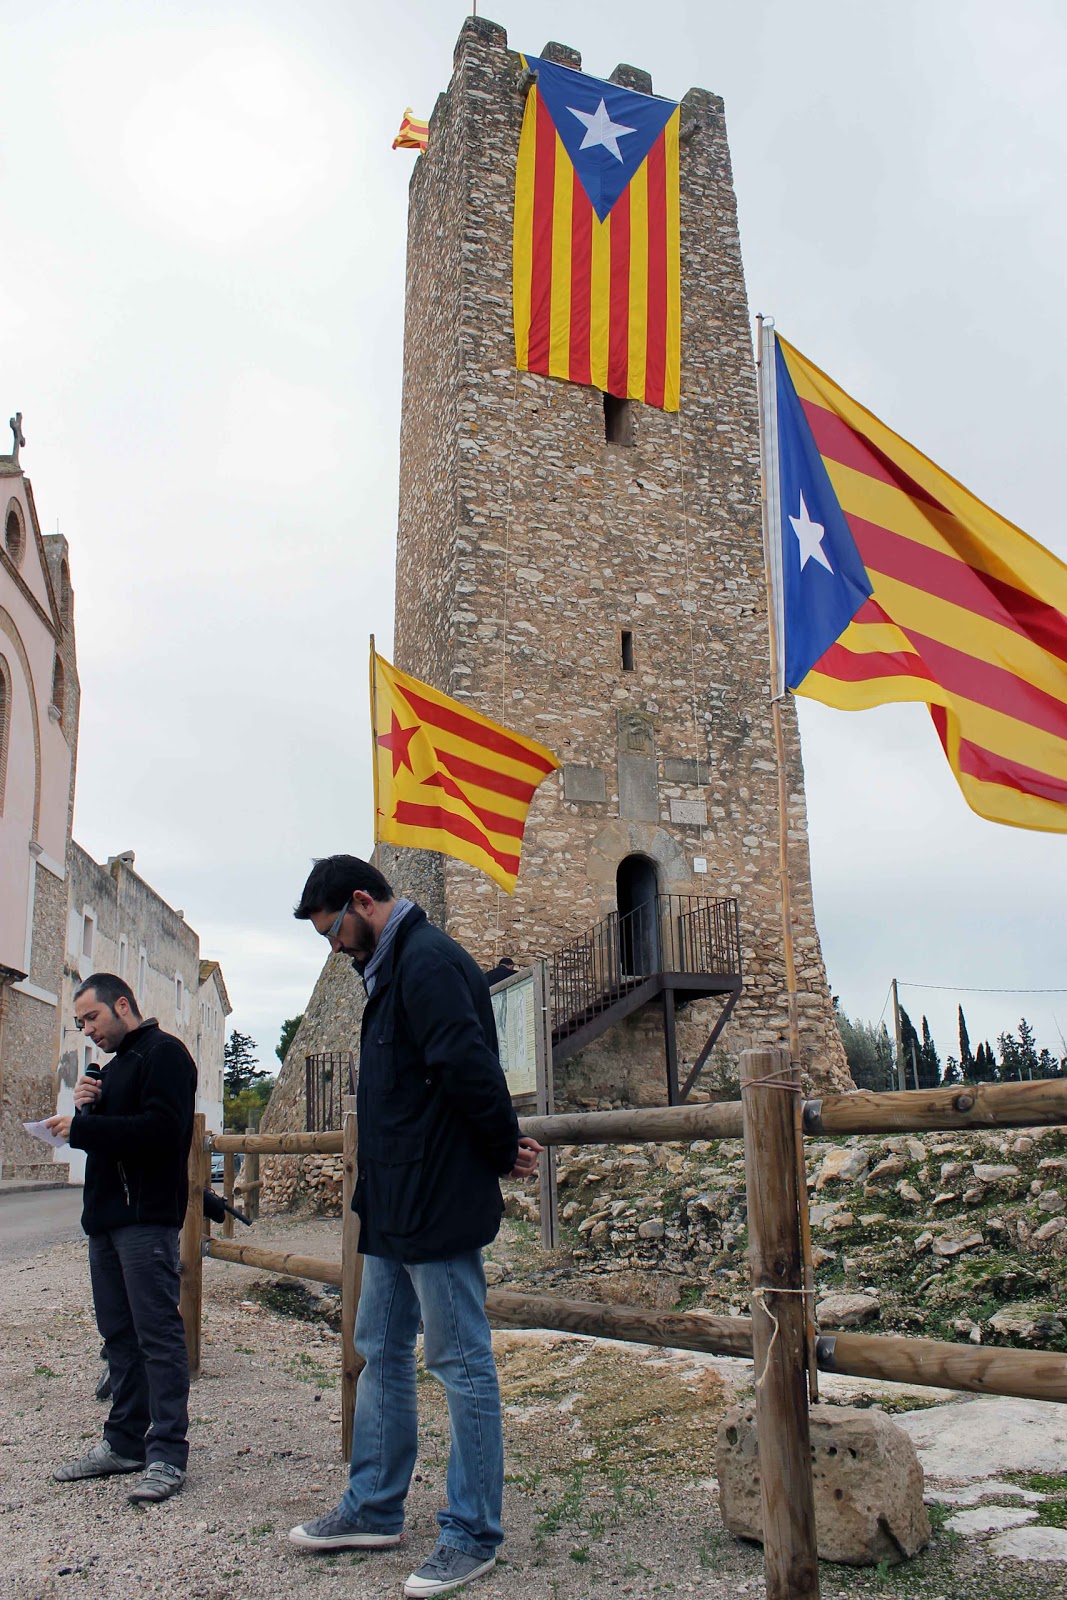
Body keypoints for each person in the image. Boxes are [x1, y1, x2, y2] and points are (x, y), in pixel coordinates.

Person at [288, 855, 542, 1599]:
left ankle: (472, 1533)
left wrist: (500, 1148)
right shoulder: (391, 962)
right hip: (392, 1203)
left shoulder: (427, 961)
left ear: (362, 902)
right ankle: (373, 1507)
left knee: (460, 1364)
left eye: (334, 930)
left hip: (435, 1195)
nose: (334, 948)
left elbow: (468, 1065)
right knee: (380, 1350)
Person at [45, 973, 196, 1504]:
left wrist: (84, 1128)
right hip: (106, 1222)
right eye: (81, 1022)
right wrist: (89, 1109)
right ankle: (125, 1443)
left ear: (123, 1004)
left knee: (157, 1337)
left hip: (146, 1220)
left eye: (92, 1018)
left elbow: (160, 1132)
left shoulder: (166, 1055)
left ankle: (166, 1455)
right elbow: (111, 1143)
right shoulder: (111, 1070)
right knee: (118, 1340)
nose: (88, 1031)